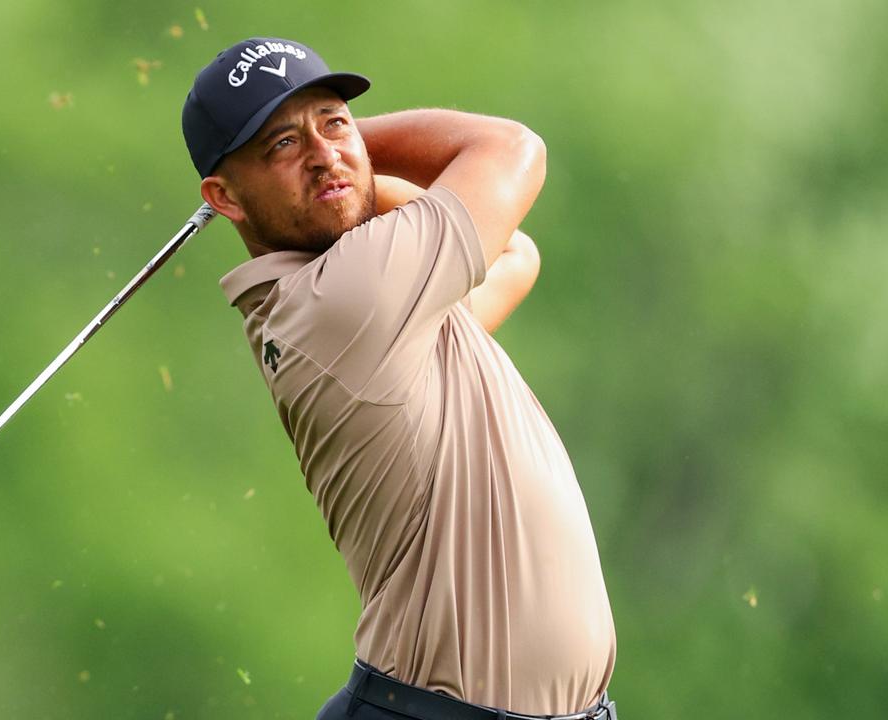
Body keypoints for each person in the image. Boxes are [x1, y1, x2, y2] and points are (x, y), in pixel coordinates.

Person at [182, 38, 618, 720]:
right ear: (224, 197)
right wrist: (350, 158)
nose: (325, 152)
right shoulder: (345, 299)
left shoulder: (377, 305)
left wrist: (332, 162)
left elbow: (513, 255)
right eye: (280, 146)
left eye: (335, 120)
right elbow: (513, 152)